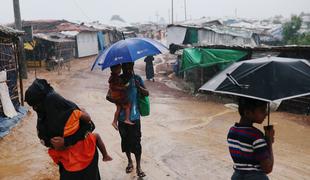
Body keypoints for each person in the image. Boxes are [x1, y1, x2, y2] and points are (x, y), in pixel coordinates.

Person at [25, 79, 112, 180]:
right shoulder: (50, 115)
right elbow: (90, 125)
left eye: (35, 105)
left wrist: (67, 141)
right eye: (33, 106)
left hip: (79, 160)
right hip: (78, 159)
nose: (35, 108)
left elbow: (90, 125)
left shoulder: (63, 110)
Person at [227, 97, 275, 180]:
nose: (266, 114)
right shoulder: (256, 136)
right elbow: (268, 168)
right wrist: (269, 142)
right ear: (248, 113)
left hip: (237, 176)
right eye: (262, 110)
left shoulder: (231, 132)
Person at [116, 62, 149, 177]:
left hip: (135, 117)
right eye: (125, 67)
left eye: (130, 67)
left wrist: (138, 87)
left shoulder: (137, 78)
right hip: (121, 118)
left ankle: (139, 166)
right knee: (125, 141)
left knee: (137, 143)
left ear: (133, 66)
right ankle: (130, 162)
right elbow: (109, 96)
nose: (128, 69)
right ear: (122, 67)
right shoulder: (118, 80)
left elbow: (147, 93)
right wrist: (118, 97)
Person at [107, 64, 134, 130]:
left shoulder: (114, 77)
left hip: (116, 96)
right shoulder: (114, 77)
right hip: (118, 96)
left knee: (118, 108)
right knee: (128, 105)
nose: (120, 70)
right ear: (114, 70)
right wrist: (122, 88)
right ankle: (127, 119)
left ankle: (114, 121)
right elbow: (113, 86)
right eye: (119, 69)